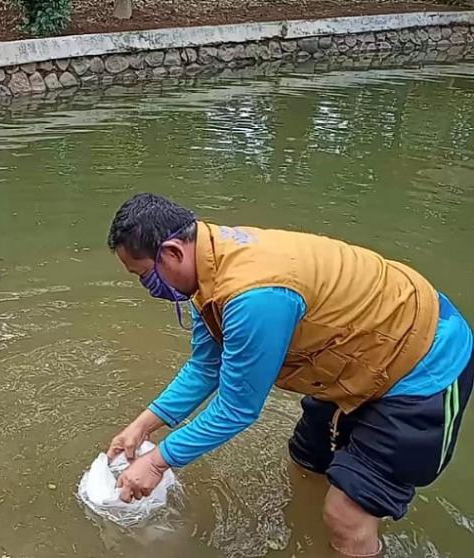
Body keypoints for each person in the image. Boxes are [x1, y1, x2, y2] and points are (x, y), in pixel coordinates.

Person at [104, 193, 473, 557]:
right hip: (356, 353)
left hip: (422, 363)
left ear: (172, 252)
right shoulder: (207, 268)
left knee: (345, 515)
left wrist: (156, 462)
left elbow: (237, 410)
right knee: (307, 458)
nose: (147, 287)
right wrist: (144, 425)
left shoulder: (253, 296)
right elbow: (206, 366)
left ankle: (354, 532)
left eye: (143, 275)